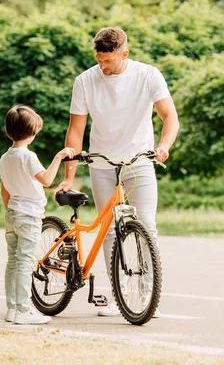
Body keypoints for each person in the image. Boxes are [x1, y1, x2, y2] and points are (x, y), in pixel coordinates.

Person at [54, 27, 180, 317]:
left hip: (139, 160)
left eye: (108, 61)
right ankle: (118, 295)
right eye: (99, 60)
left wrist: (164, 145)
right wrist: (70, 175)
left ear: (124, 53)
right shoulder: (85, 80)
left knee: (146, 225)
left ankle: (148, 294)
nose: (102, 66)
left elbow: (169, 116)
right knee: (109, 229)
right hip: (101, 162)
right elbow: (75, 130)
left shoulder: (148, 75)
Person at [0, 105, 75, 325]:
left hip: (12, 214)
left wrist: (11, 211)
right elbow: (47, 180)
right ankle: (24, 309)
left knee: (12, 261)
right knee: (24, 262)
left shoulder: (5, 158)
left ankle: (12, 308)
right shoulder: (27, 156)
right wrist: (59, 157)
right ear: (32, 133)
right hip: (29, 215)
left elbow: (4, 190)